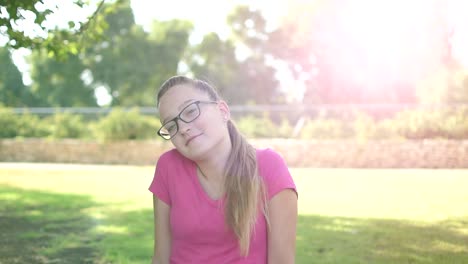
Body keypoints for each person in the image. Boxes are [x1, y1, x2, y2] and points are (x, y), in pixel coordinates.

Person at [149, 76, 297, 264]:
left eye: (191, 111)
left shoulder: (269, 167)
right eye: (171, 126)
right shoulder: (168, 167)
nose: (183, 128)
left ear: (222, 111)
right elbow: (161, 257)